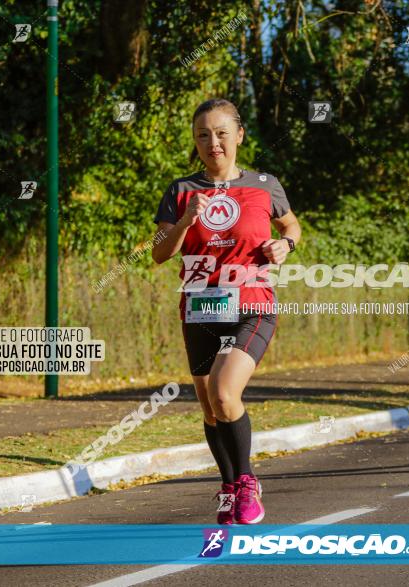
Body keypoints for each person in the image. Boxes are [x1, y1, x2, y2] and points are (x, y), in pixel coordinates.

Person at [152, 98, 301, 522]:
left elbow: (291, 225)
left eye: (220, 133)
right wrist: (183, 222)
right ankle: (230, 486)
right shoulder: (180, 190)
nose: (212, 142)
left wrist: (284, 245)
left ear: (239, 135)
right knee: (210, 408)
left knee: (224, 392)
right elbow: (160, 254)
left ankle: (248, 482)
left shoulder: (264, 184)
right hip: (200, 308)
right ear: (195, 141)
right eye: (203, 134)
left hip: (252, 303)